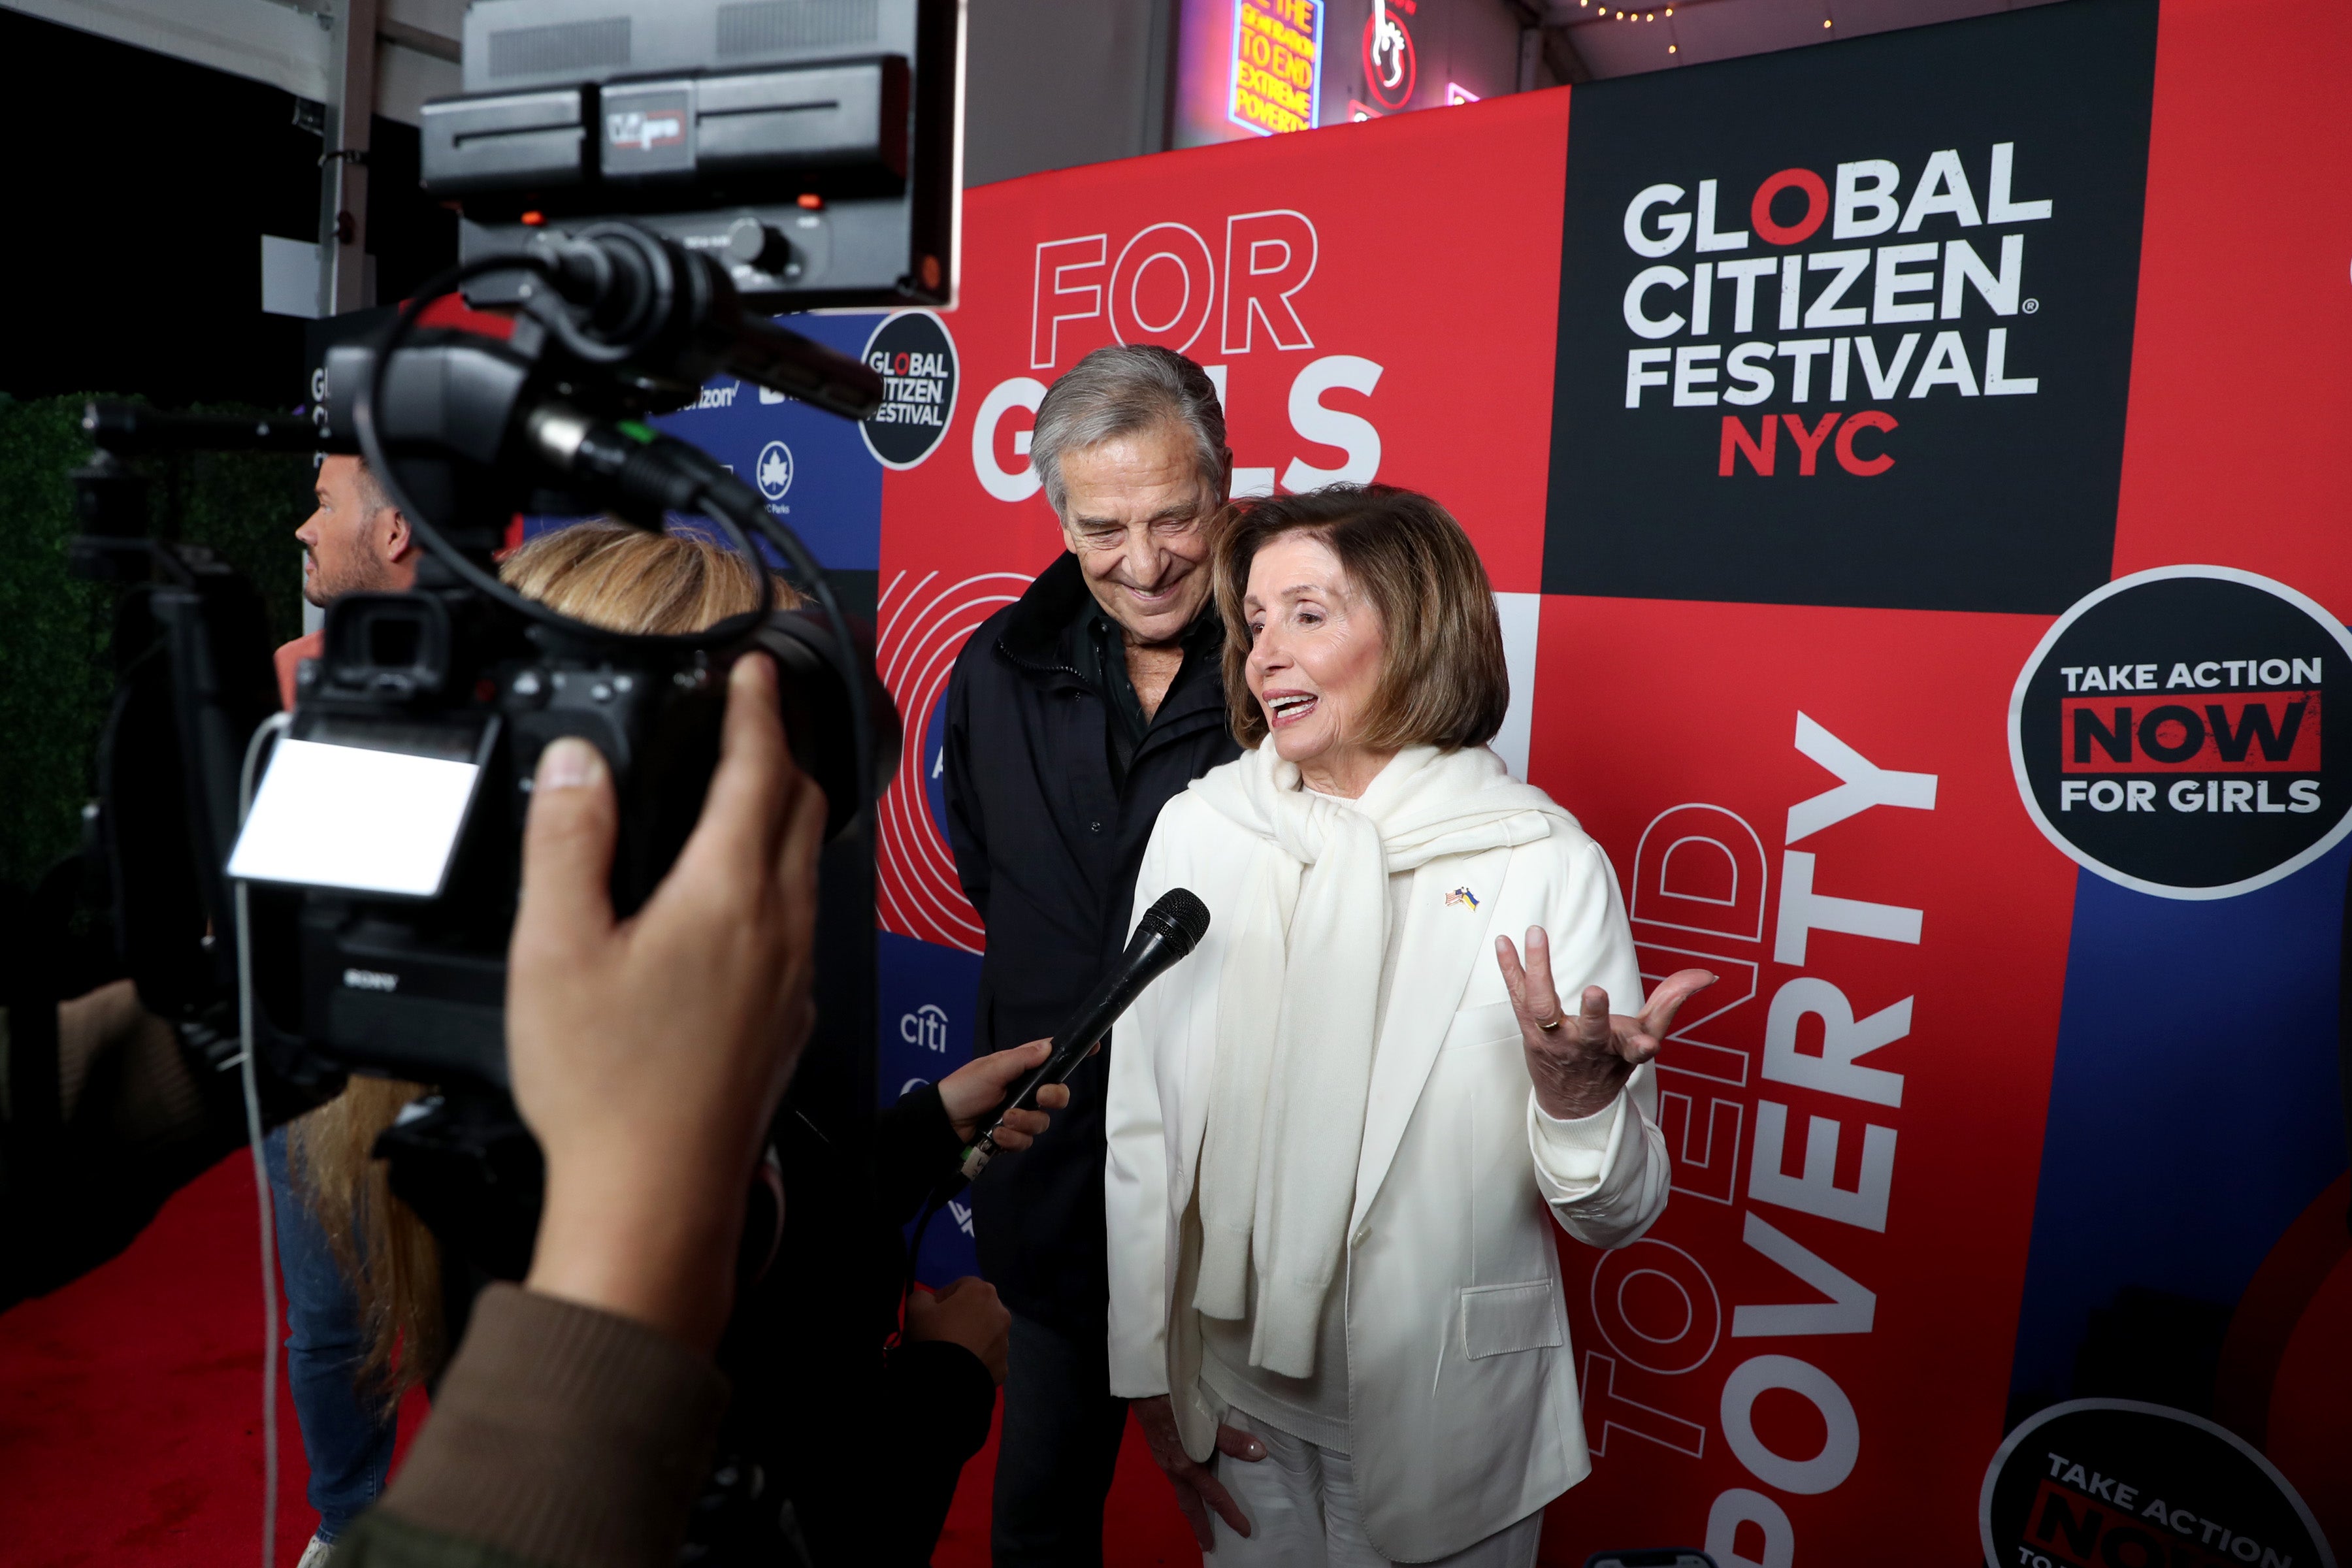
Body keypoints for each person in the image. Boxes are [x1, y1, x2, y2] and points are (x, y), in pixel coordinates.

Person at [1104, 486, 1716, 1565]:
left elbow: (1617, 1216)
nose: (1265, 655)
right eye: (1254, 622)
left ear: (1419, 628)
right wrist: (1149, 1373)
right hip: (1234, 1401)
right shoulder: (1204, 830)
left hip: (1451, 1423)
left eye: (1309, 613)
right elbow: (1143, 1128)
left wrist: (1578, 1105)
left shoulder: (1543, 861)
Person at [939, 344, 1243, 1564]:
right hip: (1055, 1180)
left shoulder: (1307, 672)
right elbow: (988, 878)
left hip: (1242, 1206)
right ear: (1061, 518)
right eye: (1105, 526)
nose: (1145, 559)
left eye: (1175, 517)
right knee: (1039, 1524)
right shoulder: (994, 668)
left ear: (1224, 492)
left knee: (1270, 1528)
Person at [273, 451, 427, 1565]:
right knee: (329, 1320)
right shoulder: (293, 672)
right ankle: (346, 1523)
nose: (299, 529)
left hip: (474, 1049)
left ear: (393, 535)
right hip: (321, 1053)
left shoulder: (517, 671)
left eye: (322, 506)